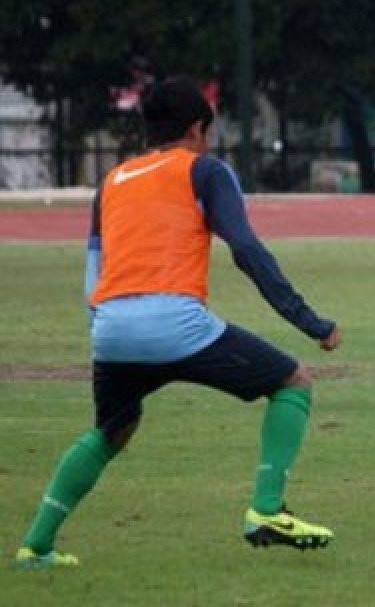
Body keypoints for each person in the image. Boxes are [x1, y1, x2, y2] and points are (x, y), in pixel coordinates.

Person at [15, 79, 343, 570]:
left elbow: (93, 265)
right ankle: (268, 511)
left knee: (112, 430)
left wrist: (103, 323)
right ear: (197, 128)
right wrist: (310, 322)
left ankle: (35, 546)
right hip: (175, 323)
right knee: (292, 382)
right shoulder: (205, 171)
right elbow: (247, 251)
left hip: (111, 327)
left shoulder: (114, 179)